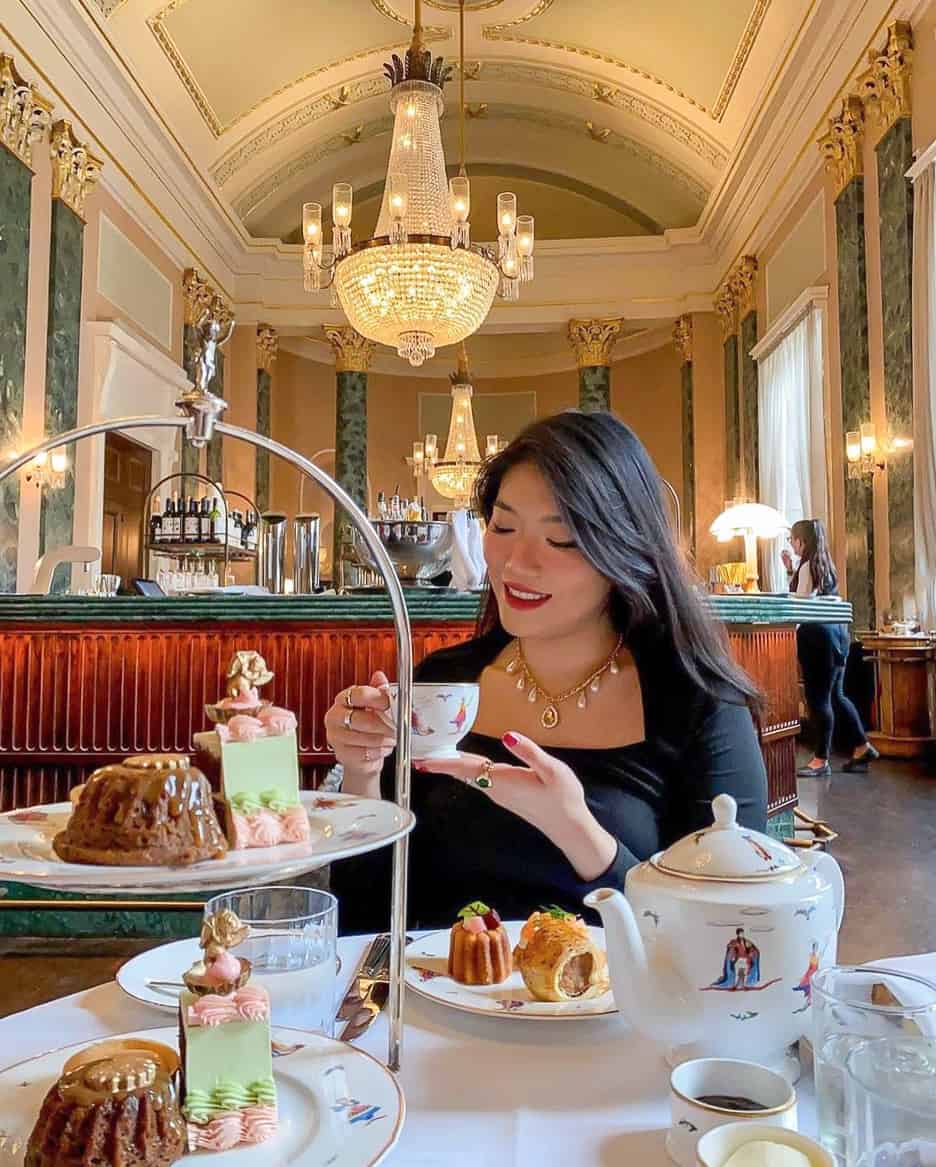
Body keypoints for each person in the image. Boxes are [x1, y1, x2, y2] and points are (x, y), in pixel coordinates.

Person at [327, 411, 767, 931]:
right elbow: (367, 914)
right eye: (503, 526)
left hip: (611, 1011)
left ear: (625, 547)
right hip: (438, 1002)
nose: (516, 562)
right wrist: (361, 775)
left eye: (559, 540)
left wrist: (578, 832)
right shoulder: (443, 687)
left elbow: (737, 930)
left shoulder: (699, 705)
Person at [781, 518, 878, 776]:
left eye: (792, 538)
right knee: (836, 695)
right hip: (838, 635)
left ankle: (820, 760)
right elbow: (813, 595)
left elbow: (800, 605)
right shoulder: (825, 564)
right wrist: (792, 570)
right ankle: (861, 745)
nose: (791, 543)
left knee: (817, 700)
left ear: (802, 541)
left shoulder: (806, 566)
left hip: (817, 639)